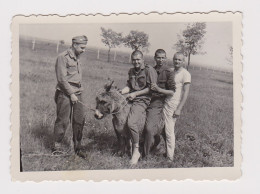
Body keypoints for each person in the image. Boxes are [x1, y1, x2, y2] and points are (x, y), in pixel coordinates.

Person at [52, 35, 88, 159]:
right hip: (65, 93)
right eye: (82, 47)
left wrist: (76, 93)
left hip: (78, 92)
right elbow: (61, 79)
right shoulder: (63, 57)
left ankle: (77, 148)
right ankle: (57, 147)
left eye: (85, 47)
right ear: (74, 45)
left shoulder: (77, 58)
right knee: (63, 121)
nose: (84, 50)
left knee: (79, 121)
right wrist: (71, 94)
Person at [151, 52, 191, 161]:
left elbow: (186, 92)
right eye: (175, 59)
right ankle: (156, 147)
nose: (177, 61)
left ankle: (170, 157)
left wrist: (179, 108)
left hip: (173, 104)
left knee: (169, 130)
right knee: (160, 128)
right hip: (163, 100)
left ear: (183, 61)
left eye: (179, 60)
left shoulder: (185, 74)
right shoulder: (171, 70)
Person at [121, 50, 157, 165]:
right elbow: (129, 85)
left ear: (142, 59)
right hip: (131, 97)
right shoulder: (131, 70)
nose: (136, 62)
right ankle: (125, 145)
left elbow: (151, 88)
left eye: (138, 60)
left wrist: (135, 94)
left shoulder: (148, 70)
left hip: (143, 100)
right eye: (134, 60)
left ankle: (136, 151)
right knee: (118, 115)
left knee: (131, 123)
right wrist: (123, 91)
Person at [143, 49, 175, 157]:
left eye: (163, 58)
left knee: (149, 128)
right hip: (145, 99)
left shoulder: (168, 72)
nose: (160, 60)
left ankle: (145, 154)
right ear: (155, 58)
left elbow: (172, 91)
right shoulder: (150, 70)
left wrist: (159, 89)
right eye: (158, 57)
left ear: (165, 58)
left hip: (157, 101)